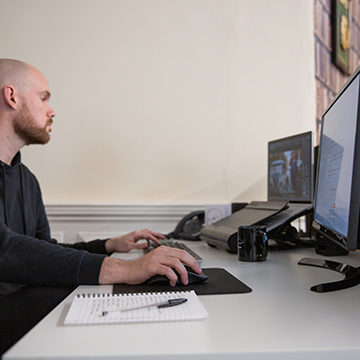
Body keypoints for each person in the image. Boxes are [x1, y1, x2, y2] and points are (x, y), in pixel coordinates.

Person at [0, 59, 201, 297]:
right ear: (12, 96)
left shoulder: (27, 180)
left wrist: (109, 245)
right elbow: (5, 250)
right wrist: (125, 269)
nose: (51, 110)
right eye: (43, 98)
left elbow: (45, 253)